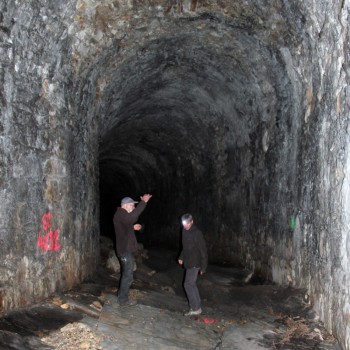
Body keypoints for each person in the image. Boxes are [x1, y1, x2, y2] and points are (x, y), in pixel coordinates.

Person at [113, 194, 152, 306]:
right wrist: (143, 202)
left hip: (125, 249)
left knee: (127, 274)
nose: (134, 208)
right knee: (128, 275)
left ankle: (122, 297)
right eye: (132, 205)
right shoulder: (121, 213)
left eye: (134, 206)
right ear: (126, 205)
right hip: (124, 250)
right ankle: (123, 300)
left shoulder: (122, 215)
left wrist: (133, 227)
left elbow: (124, 227)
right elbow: (132, 217)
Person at [178, 213, 208, 316]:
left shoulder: (197, 233)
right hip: (188, 261)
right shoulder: (184, 231)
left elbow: (203, 250)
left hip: (195, 262)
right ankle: (197, 306)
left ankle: (195, 308)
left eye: (187, 223)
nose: (185, 225)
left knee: (188, 284)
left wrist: (203, 267)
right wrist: (181, 257)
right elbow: (185, 246)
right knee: (191, 284)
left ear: (192, 222)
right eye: (183, 223)